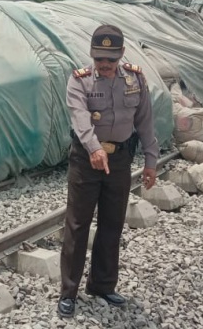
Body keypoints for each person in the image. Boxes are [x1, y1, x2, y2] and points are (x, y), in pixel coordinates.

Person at [58, 24, 159, 317]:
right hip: (86, 160)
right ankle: (69, 291)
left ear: (121, 55)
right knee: (77, 225)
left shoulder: (136, 79)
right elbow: (80, 119)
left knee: (112, 223)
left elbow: (146, 122)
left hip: (119, 160)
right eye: (99, 58)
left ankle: (102, 285)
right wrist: (94, 148)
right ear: (92, 54)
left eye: (110, 59)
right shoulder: (79, 81)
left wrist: (151, 161)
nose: (104, 64)